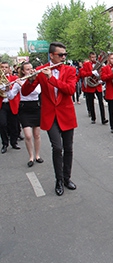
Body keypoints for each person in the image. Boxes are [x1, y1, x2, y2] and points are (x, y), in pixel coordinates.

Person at [22, 41, 77, 196]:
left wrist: (52, 78)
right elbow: (26, 92)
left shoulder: (69, 70)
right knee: (57, 148)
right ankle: (58, 180)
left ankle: (67, 178)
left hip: (66, 115)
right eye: (60, 55)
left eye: (65, 54)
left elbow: (70, 89)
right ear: (52, 55)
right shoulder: (41, 70)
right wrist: (31, 80)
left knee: (69, 148)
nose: (63, 57)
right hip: (50, 115)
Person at [6, 62, 43, 167]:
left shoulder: (36, 81)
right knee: (28, 135)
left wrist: (23, 85)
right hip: (24, 109)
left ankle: (37, 155)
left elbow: (36, 91)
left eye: (31, 69)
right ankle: (31, 156)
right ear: (22, 71)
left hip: (36, 107)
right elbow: (11, 96)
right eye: (27, 69)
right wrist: (8, 89)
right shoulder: (19, 81)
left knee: (37, 134)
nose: (30, 71)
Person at [80, 52, 108, 125]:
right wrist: (91, 73)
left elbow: (102, 72)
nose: (94, 59)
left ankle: (103, 118)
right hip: (90, 86)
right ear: (89, 57)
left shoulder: (99, 64)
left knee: (101, 102)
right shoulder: (86, 64)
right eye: (92, 57)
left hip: (98, 85)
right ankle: (93, 118)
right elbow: (82, 73)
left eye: (95, 57)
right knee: (91, 103)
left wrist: (100, 76)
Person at [0, 62, 20, 154]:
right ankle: (5, 143)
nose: (4, 69)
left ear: (9, 69)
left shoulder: (14, 78)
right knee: (2, 124)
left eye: (6, 67)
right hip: (2, 104)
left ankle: (14, 142)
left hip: (12, 103)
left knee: (14, 125)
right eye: (2, 67)